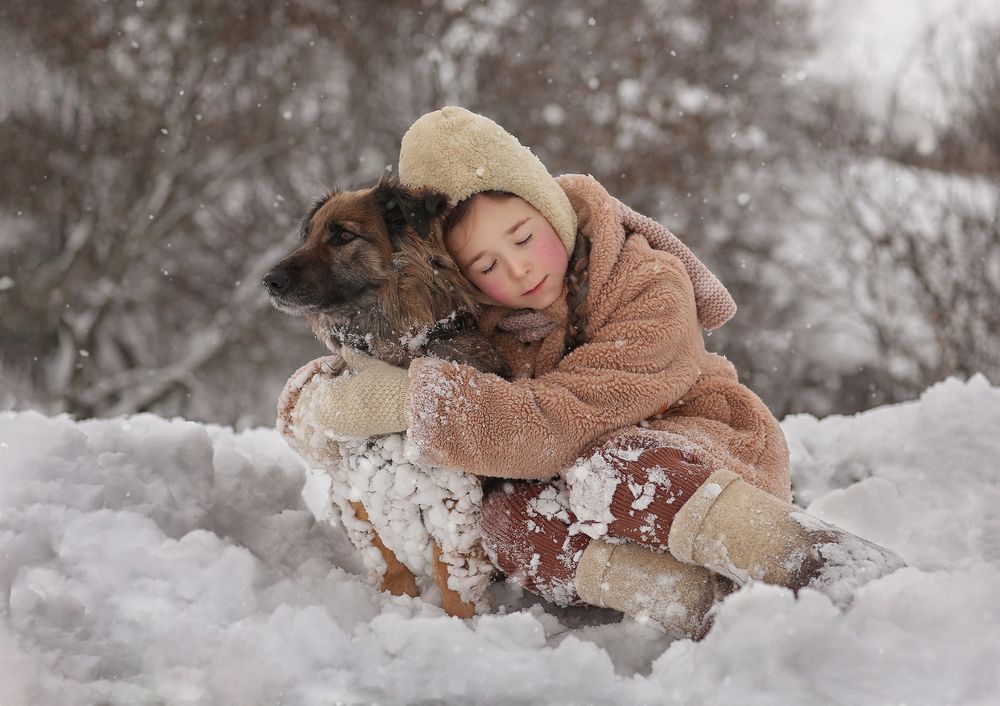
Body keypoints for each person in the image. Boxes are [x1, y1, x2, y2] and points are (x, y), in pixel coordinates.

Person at [280, 107, 904, 637]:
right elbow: (378, 361)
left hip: (699, 457)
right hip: (587, 493)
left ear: (551, 209)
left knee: (613, 468)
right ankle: (698, 607)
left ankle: (818, 564)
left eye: (523, 239)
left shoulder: (646, 283)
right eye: (486, 265)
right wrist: (317, 405)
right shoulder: (483, 322)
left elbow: (557, 426)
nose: (518, 272)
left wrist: (409, 402)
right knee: (502, 520)